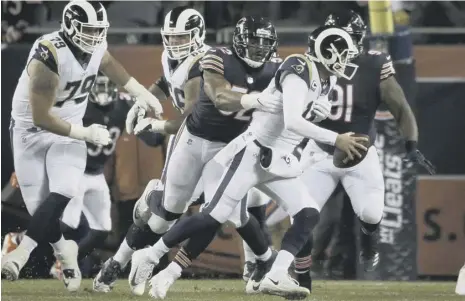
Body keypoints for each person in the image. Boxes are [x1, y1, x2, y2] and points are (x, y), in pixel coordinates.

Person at [134, 25, 367, 300]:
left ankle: (276, 274)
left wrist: (316, 115)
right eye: (344, 54)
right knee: (214, 216)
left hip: (279, 159)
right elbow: (292, 120)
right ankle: (151, 255)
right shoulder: (299, 67)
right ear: (328, 52)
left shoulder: (327, 80)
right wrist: (336, 138)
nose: (348, 60)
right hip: (252, 152)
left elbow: (293, 121)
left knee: (308, 213)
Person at [1, 0, 163, 292]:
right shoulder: (47, 56)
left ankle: (19, 255)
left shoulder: (95, 48)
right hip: (31, 132)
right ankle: (66, 251)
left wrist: (142, 93)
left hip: (69, 134)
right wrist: (86, 133)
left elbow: (113, 67)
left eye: (99, 30)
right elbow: (41, 117)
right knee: (42, 213)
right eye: (89, 30)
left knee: (62, 193)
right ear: (71, 27)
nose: (95, 37)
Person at [127, 15, 286, 297]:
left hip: (235, 146)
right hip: (196, 139)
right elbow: (219, 97)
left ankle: (261, 264)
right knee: (173, 212)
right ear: (238, 41)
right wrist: (254, 100)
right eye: (253, 41)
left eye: (265, 43)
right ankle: (264, 262)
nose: (260, 48)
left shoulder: (277, 70)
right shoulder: (216, 57)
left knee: (228, 211)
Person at [293, 10, 434, 292]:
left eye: (349, 40)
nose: (343, 47)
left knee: (370, 214)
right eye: (337, 41)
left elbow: (400, 107)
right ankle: (302, 277)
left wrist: (411, 145)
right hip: (318, 152)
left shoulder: (374, 63)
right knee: (303, 216)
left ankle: (369, 246)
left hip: (360, 154)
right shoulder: (308, 65)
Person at [92, 6, 210, 293]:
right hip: (197, 143)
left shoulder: (205, 63)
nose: (174, 44)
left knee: (222, 213)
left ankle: (261, 264)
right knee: (169, 218)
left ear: (198, 35)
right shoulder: (173, 58)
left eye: (181, 38)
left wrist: (157, 126)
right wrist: (143, 101)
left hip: (208, 138)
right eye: (170, 37)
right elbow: (166, 83)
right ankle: (118, 263)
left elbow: (192, 119)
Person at [6, 74, 165, 279]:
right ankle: (19, 241)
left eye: (106, 87)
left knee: (101, 230)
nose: (102, 93)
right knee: (67, 224)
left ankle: (63, 264)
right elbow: (44, 131)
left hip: (96, 173)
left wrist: (159, 130)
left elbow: (150, 138)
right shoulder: (77, 106)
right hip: (74, 169)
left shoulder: (123, 106)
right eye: (97, 87)